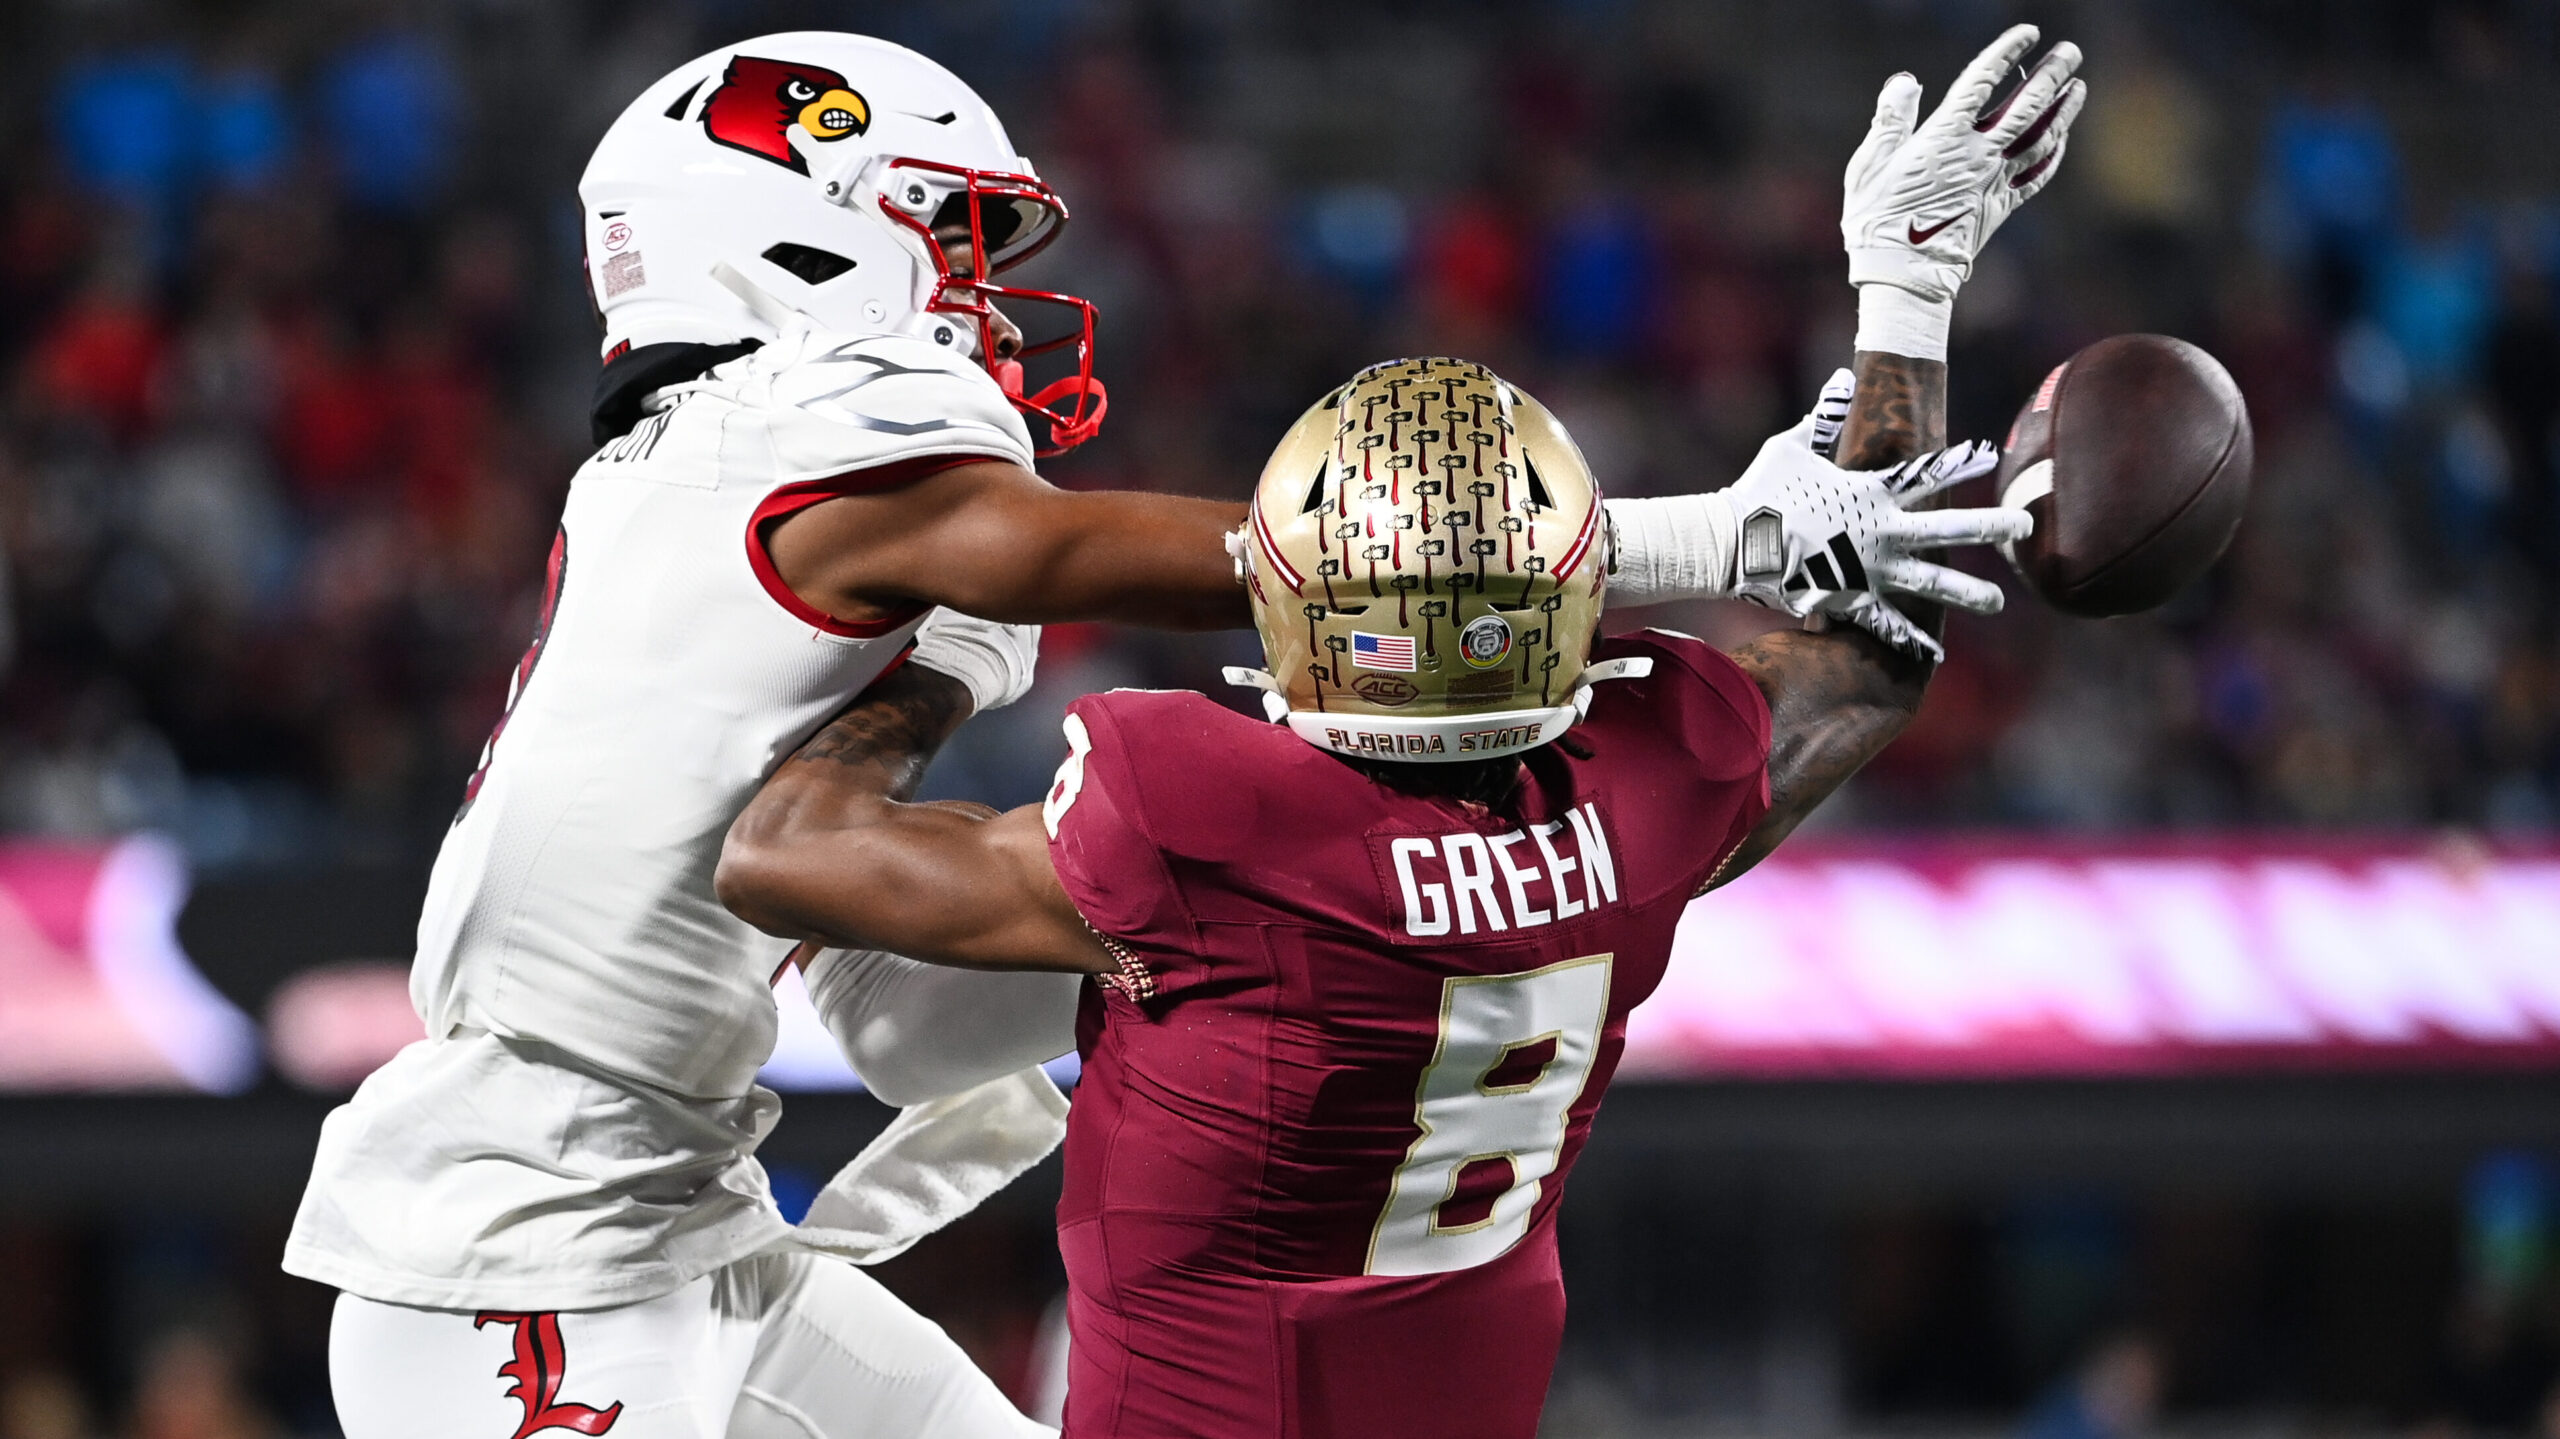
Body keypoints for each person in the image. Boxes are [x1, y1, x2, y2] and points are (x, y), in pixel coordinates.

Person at [295, 24, 2079, 1439]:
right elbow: (1852, 652)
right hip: (527, 1258)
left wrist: (932, 687)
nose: (981, 293)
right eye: (949, 236)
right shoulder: (1623, 822)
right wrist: (1763, 495)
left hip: (617, 1216)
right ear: (781, 230)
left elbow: (810, 868)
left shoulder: (1179, 803)